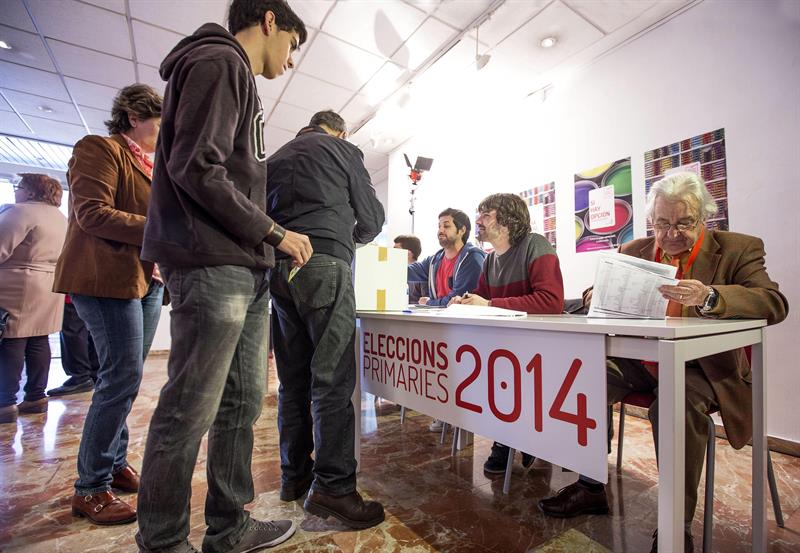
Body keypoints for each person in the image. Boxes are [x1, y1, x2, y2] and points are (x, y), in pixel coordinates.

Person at [135, 2, 312, 552]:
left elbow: (219, 171)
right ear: (268, 21)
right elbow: (196, 167)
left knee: (239, 402)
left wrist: (264, 237)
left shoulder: (236, 75)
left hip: (241, 265)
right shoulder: (218, 60)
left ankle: (229, 525)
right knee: (190, 406)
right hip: (212, 263)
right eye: (291, 45)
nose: (289, 62)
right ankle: (163, 540)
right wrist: (276, 232)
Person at [538, 172, 788, 553]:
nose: (671, 234)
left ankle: (676, 525)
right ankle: (590, 486)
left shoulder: (738, 249)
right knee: (583, 377)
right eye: (662, 224)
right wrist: (597, 293)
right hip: (642, 359)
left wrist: (710, 297)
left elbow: (773, 303)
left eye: (683, 223)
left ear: (703, 217)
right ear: (651, 221)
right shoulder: (634, 251)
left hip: (704, 368)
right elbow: (601, 299)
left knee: (673, 402)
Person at [267, 109, 386, 529]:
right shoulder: (342, 150)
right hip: (324, 263)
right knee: (333, 379)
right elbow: (372, 218)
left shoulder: (275, 157)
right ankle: (334, 489)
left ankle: (293, 475)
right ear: (341, 130)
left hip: (278, 270)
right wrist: (343, 238)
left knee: (292, 379)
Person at [53, 83, 165, 525]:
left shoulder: (152, 166)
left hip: (145, 279)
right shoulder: (99, 148)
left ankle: (114, 462)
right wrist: (164, 229)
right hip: (105, 277)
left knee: (123, 377)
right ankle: (91, 486)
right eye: (160, 121)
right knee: (121, 376)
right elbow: (93, 213)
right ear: (135, 116)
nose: (166, 130)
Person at [450, 193, 564, 473]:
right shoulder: (490, 261)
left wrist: (488, 304)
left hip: (541, 346)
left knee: (498, 371)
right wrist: (465, 300)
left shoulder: (535, 245)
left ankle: (515, 439)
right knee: (484, 367)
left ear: (508, 221)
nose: (478, 220)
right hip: (509, 346)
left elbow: (551, 301)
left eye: (486, 214)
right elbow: (482, 298)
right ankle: (508, 438)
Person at [407, 208, 485, 431]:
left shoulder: (473, 257)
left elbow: (459, 299)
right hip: (441, 329)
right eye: (439, 225)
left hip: (467, 331)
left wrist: (429, 303)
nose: (440, 230)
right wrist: (385, 264)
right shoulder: (435, 260)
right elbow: (409, 271)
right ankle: (445, 413)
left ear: (462, 230)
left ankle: (459, 417)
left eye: (446, 225)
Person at [0, 174, 67, 424]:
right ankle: (35, 397)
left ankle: (5, 402)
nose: (16, 192)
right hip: (49, 283)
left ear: (29, 191)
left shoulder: (20, 212)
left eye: (18, 187)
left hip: (17, 282)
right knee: (39, 339)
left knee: (11, 340)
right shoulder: (62, 219)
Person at [47, 295, 100, 396]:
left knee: (72, 327)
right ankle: (94, 373)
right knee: (91, 329)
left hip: (74, 291)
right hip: (92, 291)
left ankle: (80, 376)